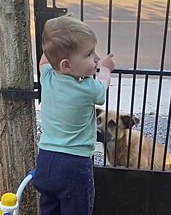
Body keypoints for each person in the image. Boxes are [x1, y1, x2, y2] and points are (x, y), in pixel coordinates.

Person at [32, 16, 115, 215]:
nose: (96, 57)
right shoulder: (88, 88)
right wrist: (105, 67)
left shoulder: (48, 77)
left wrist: (53, 39)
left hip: (46, 161)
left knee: (49, 209)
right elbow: (103, 84)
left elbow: (45, 59)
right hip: (74, 166)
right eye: (89, 54)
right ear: (66, 65)